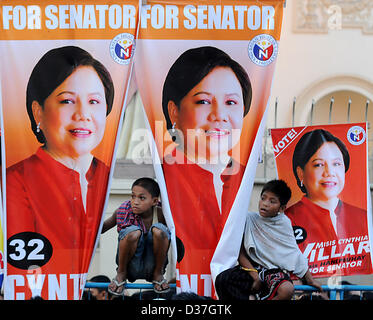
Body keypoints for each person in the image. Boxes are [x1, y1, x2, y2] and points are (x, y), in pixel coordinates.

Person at [6, 46, 114, 298]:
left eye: (94, 102)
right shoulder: (15, 180)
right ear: (38, 112)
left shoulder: (106, 177)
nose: (83, 115)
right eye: (67, 100)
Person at [161, 47, 252, 284]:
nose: (219, 115)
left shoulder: (246, 177)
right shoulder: (162, 176)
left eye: (231, 102)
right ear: (174, 111)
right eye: (203, 101)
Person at [215, 180, 323, 300]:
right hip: (251, 269)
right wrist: (255, 276)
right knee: (223, 279)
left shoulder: (284, 223)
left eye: (272, 201)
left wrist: (310, 280)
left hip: (272, 272)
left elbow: (293, 253)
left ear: (281, 208)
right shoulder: (248, 219)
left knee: (287, 290)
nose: (265, 204)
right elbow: (240, 253)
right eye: (263, 198)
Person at [285, 129, 371, 275]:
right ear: (301, 173)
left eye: (336, 164)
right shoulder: (287, 219)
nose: (329, 172)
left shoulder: (363, 217)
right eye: (319, 165)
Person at [102, 177, 171, 296]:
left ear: (154, 201)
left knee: (160, 231)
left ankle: (158, 274)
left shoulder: (161, 214)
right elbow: (102, 228)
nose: (135, 201)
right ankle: (121, 273)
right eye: (133, 196)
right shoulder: (123, 211)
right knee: (133, 232)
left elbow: (178, 235)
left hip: (153, 266)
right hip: (131, 267)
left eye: (142, 198)